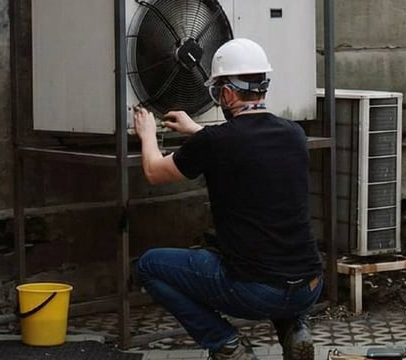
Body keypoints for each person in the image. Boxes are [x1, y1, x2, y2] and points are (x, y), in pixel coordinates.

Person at [132, 38, 322, 360]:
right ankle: (295, 328)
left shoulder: (216, 142)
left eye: (218, 90)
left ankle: (225, 344)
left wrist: (147, 133)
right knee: (278, 258)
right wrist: (197, 131)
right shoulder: (294, 134)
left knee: (149, 265)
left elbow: (153, 171)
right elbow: (242, 145)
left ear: (229, 94)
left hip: (255, 291)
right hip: (310, 287)